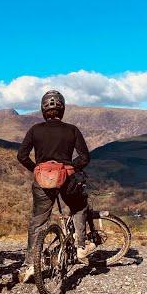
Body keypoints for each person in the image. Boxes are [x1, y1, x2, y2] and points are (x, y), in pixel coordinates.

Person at [16, 89, 95, 283]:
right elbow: (85, 157)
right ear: (63, 109)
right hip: (66, 178)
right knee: (79, 206)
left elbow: (22, 156)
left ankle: (30, 264)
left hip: (42, 180)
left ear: (43, 110)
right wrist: (70, 167)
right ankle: (80, 246)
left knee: (38, 221)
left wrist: (36, 169)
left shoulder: (35, 129)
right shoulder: (71, 130)